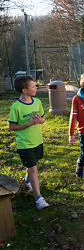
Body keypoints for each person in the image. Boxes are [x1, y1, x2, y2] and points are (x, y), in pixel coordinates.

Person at [8, 75, 49, 209]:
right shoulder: (16, 107)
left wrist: (38, 121)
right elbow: (12, 127)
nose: (35, 87)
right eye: (33, 86)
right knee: (33, 169)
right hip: (25, 144)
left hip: (37, 141)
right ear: (24, 90)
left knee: (33, 164)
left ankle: (27, 180)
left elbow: (43, 119)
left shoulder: (37, 102)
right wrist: (29, 124)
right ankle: (39, 198)